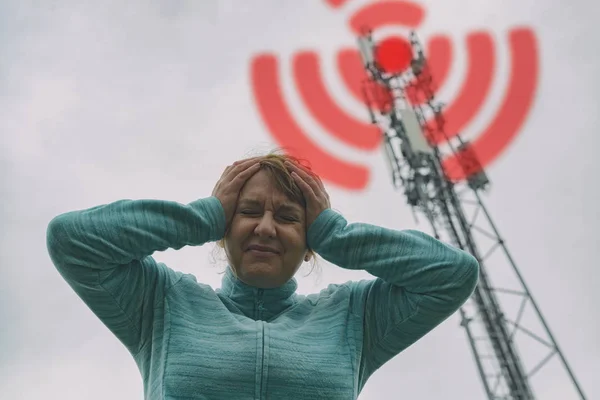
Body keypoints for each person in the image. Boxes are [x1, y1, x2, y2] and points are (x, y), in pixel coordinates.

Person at [46, 152, 479, 400]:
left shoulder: (354, 317)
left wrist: (336, 233)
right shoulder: (162, 302)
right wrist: (201, 216)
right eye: (248, 212)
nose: (266, 228)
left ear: (311, 242)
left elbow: (453, 274)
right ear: (222, 232)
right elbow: (71, 239)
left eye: (289, 217)